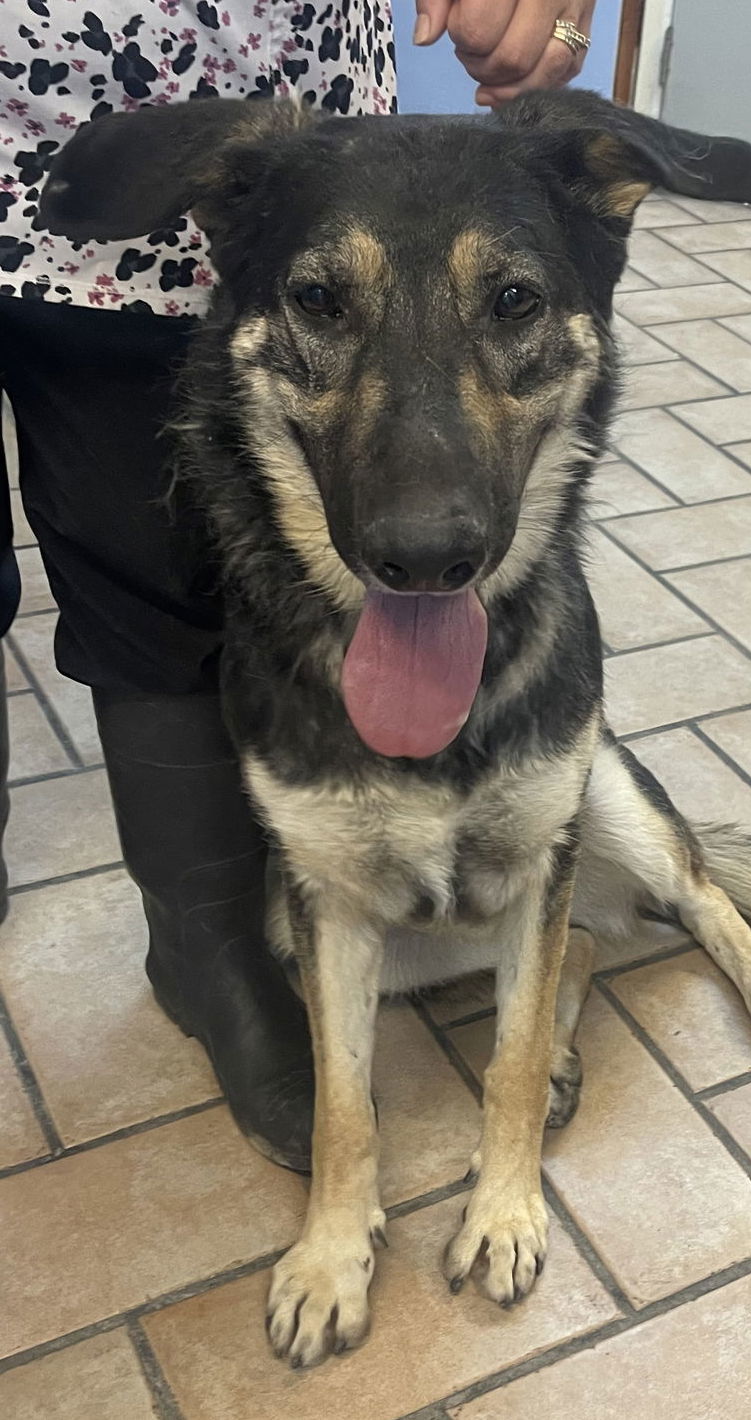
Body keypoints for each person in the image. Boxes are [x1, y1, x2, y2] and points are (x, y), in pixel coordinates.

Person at [0, 1, 592, 1170]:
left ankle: (208, 946)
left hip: (214, 72)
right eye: (322, 302)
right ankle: (214, 943)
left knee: (151, 599)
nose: (423, 527)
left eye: (514, 303)